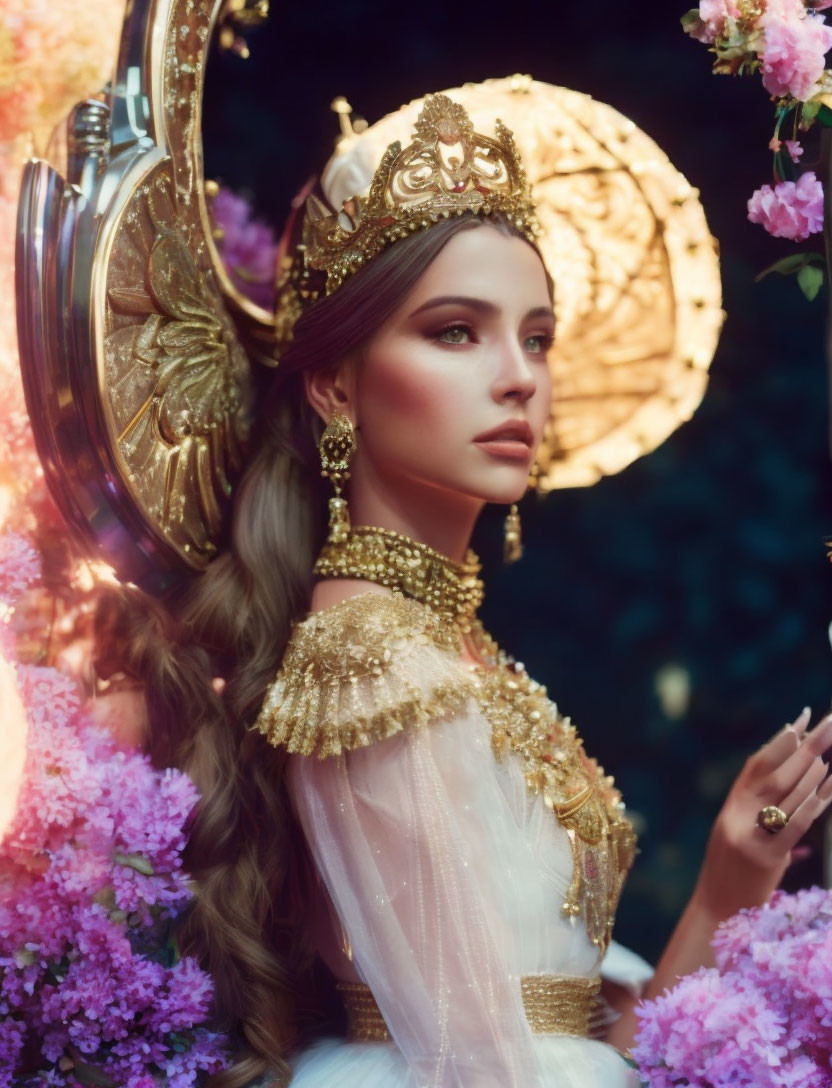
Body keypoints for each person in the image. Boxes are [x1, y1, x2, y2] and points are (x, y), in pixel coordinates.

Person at [96, 88, 832, 1088]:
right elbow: (484, 1067)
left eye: (536, 336)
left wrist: (729, 875)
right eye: (455, 331)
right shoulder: (371, 651)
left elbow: (571, 1047)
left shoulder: (439, 641)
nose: (520, 376)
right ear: (335, 385)